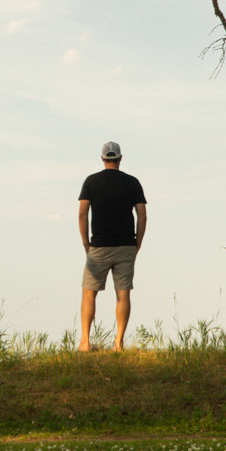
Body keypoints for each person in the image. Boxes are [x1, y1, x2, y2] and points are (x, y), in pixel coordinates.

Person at [77, 141, 147, 351]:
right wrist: (138, 243)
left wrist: (86, 244)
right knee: (123, 293)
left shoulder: (91, 181)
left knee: (89, 292)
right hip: (126, 245)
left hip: (98, 245)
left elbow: (82, 213)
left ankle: (85, 343)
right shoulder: (133, 182)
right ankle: (118, 343)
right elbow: (142, 214)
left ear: (102, 159)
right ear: (120, 158)